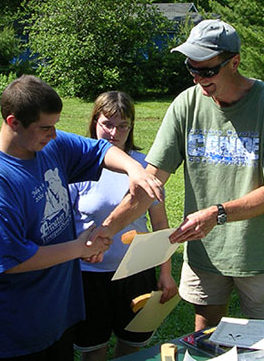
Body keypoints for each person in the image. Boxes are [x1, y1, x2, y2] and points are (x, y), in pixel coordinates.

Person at [92, 19, 264, 332]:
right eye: (192, 68)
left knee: (263, 344)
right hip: (205, 255)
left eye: (207, 70)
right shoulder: (186, 105)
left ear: (234, 62)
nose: (197, 78)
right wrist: (106, 230)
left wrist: (217, 214)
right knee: (206, 340)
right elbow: (149, 183)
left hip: (259, 254)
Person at [0, 75, 164, 360]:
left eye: (55, 125)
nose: (54, 134)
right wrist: (79, 248)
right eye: (45, 127)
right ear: (13, 122)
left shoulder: (49, 147)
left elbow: (100, 150)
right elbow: (11, 260)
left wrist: (135, 170)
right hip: (17, 325)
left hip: (58, 315)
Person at [69, 91, 178, 360]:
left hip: (136, 273)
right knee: (93, 349)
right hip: (88, 276)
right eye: (107, 124)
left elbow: (160, 223)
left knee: (132, 345)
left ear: (131, 128)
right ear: (94, 122)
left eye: (123, 126)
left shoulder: (144, 167)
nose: (114, 133)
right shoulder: (77, 167)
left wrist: (165, 272)